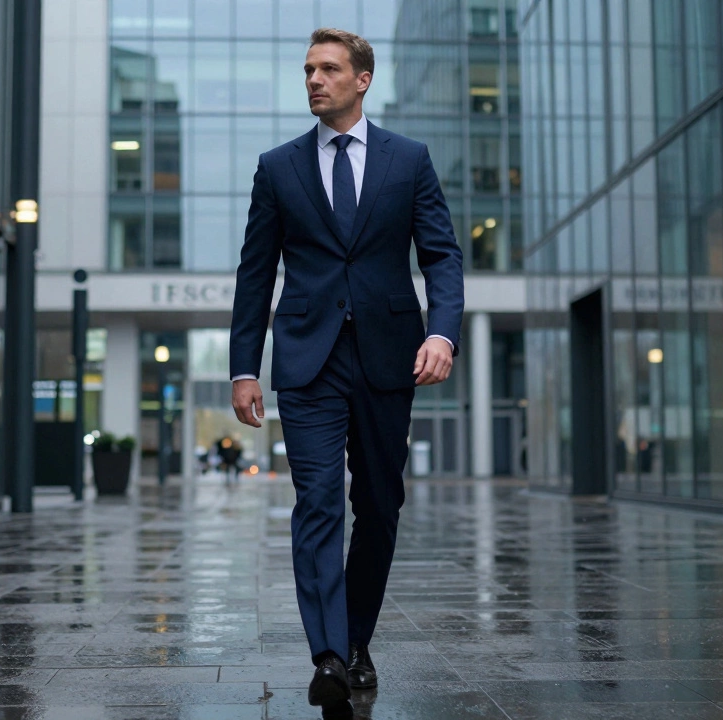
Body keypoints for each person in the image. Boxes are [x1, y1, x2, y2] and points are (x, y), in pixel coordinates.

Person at [228, 28, 464, 707]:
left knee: (380, 507)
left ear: (362, 79)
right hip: (308, 361)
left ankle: (357, 636)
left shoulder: (409, 160)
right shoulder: (278, 168)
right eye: (307, 70)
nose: (313, 80)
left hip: (391, 359)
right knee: (319, 504)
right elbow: (254, 275)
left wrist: (443, 331)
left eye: (328, 69)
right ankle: (329, 653)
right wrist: (245, 365)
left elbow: (442, 256)